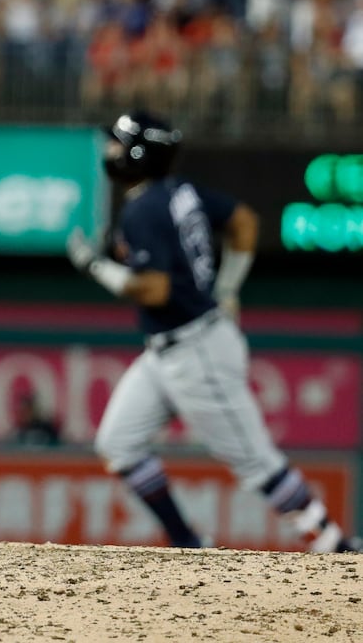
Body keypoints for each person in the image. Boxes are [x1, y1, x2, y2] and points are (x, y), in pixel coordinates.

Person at [66, 110, 361, 553]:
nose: (110, 151)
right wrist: (227, 288)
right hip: (168, 350)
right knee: (119, 443)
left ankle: (336, 546)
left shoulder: (144, 208)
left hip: (196, 348)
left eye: (118, 144)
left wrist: (96, 267)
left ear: (138, 153)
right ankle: (187, 542)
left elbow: (155, 288)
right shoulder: (180, 191)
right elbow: (245, 221)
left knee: (258, 464)